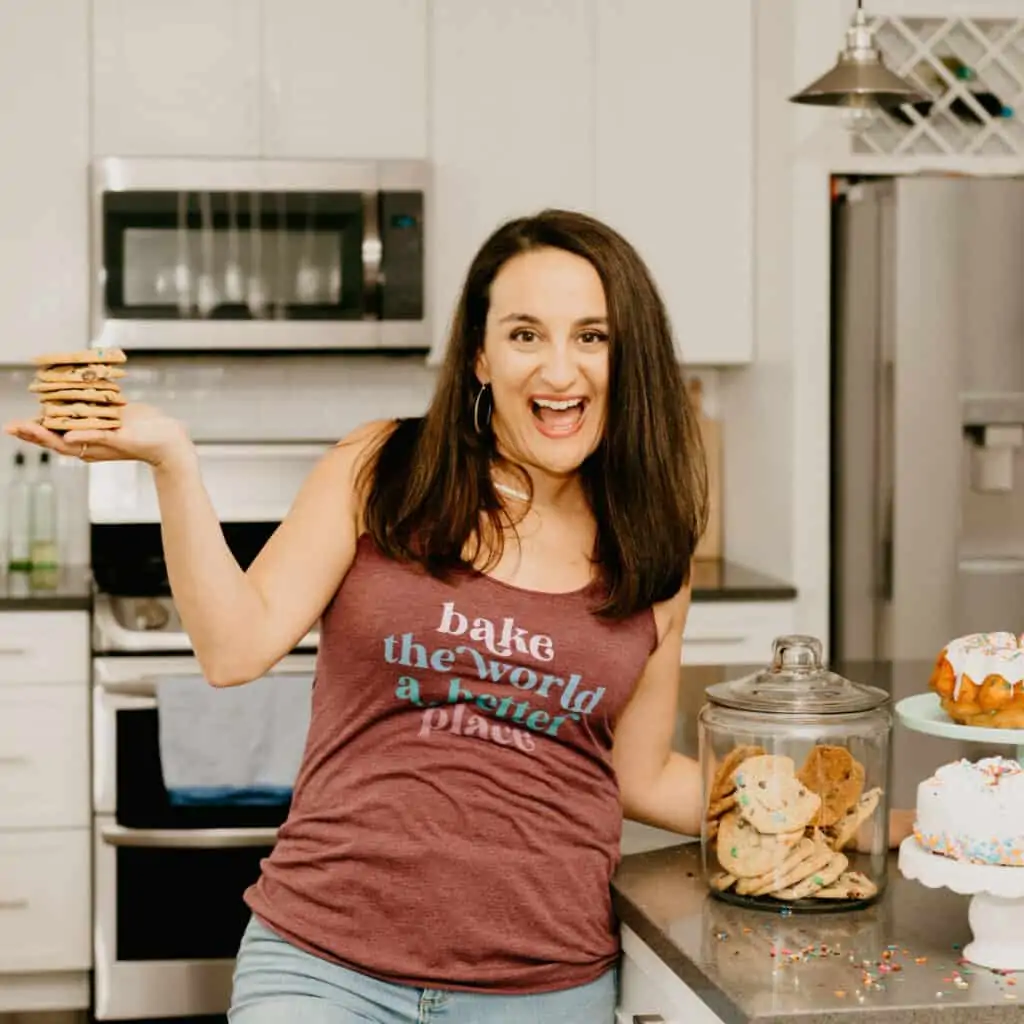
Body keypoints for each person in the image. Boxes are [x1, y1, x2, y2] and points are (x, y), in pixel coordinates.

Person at [6, 209, 909, 1023]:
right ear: (480, 355)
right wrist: (173, 462)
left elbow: (642, 777)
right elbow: (233, 648)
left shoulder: (651, 551)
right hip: (322, 966)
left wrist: (850, 821)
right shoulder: (383, 470)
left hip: (541, 987)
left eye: (591, 335)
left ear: (626, 356)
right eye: (525, 334)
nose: (559, 369)